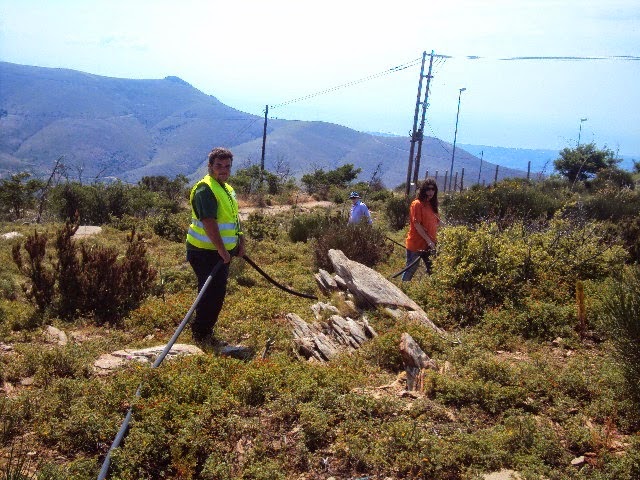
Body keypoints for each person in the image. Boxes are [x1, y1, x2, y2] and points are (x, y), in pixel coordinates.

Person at [186, 147, 245, 347]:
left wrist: (240, 241)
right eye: (218, 166)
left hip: (219, 253)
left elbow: (233, 217)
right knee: (211, 294)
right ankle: (201, 335)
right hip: (205, 253)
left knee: (214, 293)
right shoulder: (206, 188)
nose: (223, 170)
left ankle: (202, 331)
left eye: (227, 166)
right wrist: (222, 250)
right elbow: (209, 222)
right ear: (210, 166)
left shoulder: (226, 188)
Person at [402, 179, 440, 281]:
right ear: (423, 190)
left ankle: (432, 293)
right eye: (428, 189)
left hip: (430, 245)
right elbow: (417, 225)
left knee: (433, 270)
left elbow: (436, 222)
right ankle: (401, 290)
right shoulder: (417, 204)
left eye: (433, 189)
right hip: (416, 244)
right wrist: (429, 240)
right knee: (410, 270)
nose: (431, 192)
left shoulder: (432, 205)